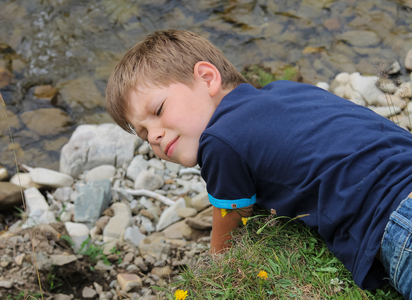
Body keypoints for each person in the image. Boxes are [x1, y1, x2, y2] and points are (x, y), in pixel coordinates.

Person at [105, 29, 412, 298]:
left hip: (396, 216)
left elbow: (229, 225)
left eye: (158, 110)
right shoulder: (288, 90)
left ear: (208, 78)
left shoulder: (220, 140)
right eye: (144, 134)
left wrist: (216, 265)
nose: (155, 136)